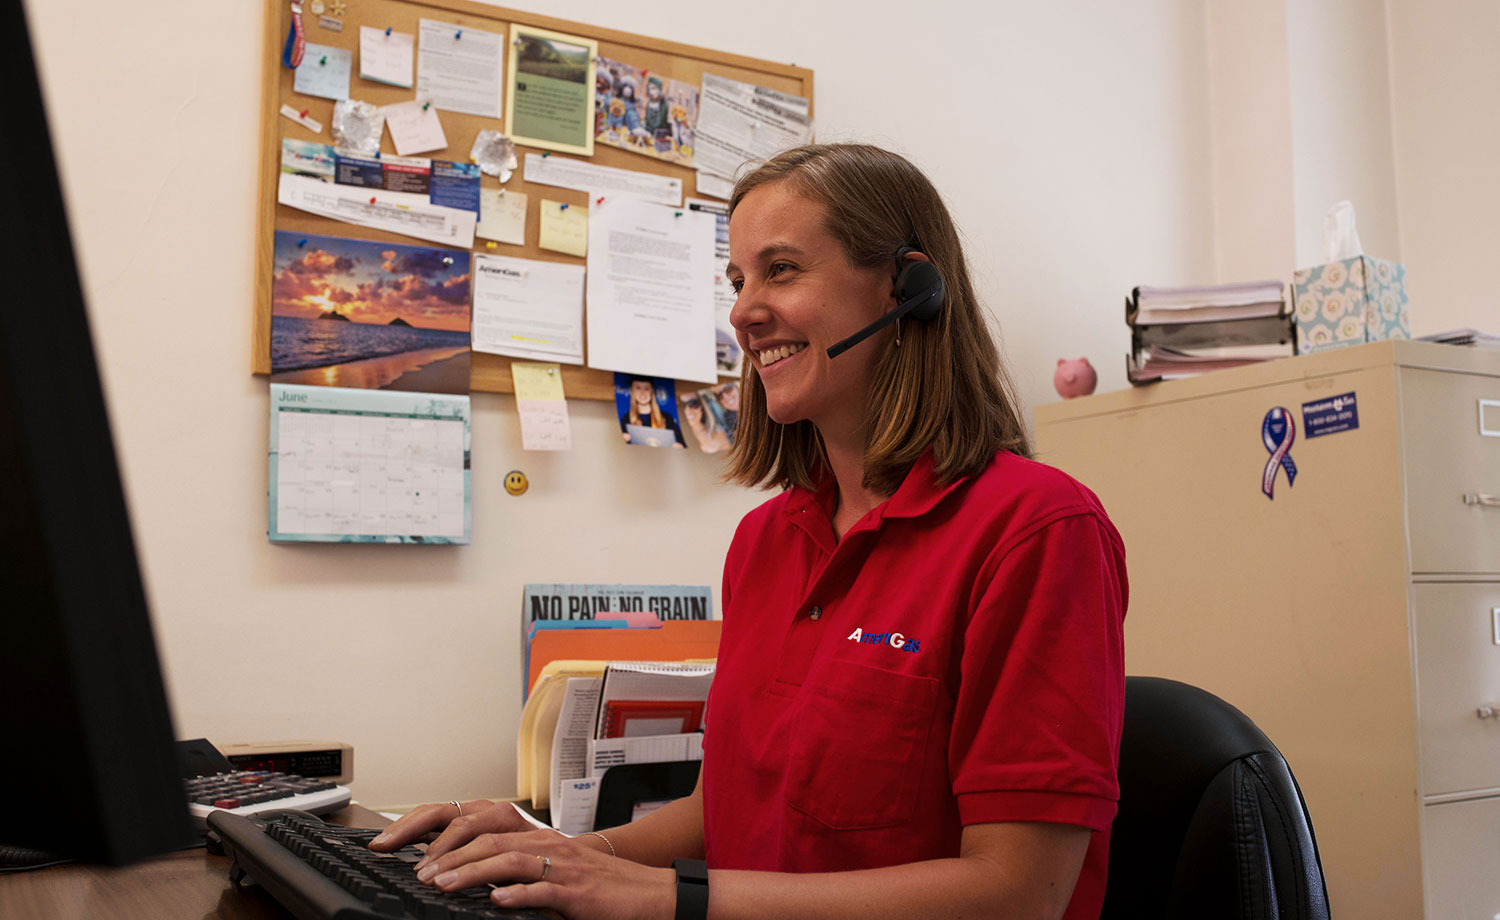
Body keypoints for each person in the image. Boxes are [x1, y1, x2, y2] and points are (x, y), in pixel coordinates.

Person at [371, 143, 1127, 920]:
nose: (742, 310)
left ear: (908, 288)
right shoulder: (768, 540)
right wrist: (559, 852)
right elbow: (721, 810)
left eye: (782, 270)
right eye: (737, 281)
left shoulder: (1037, 532)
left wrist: (673, 898)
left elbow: (1020, 893)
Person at [619, 376, 684, 447]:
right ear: (633, 392)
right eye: (638, 388)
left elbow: (680, 440)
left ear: (652, 392)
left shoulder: (665, 417)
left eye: (646, 389)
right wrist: (622, 440)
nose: (642, 393)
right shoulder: (626, 419)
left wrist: (678, 445)